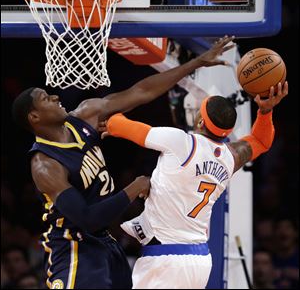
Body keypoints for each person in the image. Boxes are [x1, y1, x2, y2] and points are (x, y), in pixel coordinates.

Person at [11, 35, 234, 289]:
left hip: (106, 243)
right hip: (74, 247)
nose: (54, 96)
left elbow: (141, 92)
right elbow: (87, 218)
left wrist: (197, 63)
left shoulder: (85, 114)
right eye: (45, 98)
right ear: (35, 116)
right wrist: (135, 187)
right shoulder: (45, 164)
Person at [103, 81, 288, 289]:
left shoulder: (181, 142)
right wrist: (265, 111)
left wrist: (107, 110)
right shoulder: (231, 157)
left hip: (166, 259)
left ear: (200, 122)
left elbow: (119, 125)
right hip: (199, 259)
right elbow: (261, 140)